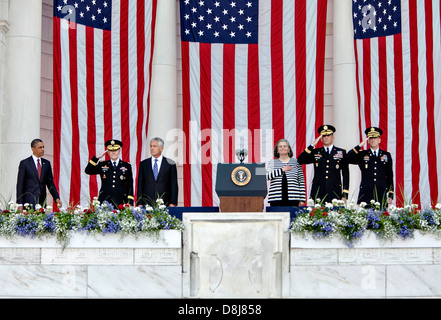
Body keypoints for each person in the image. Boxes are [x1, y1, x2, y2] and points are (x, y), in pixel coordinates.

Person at [297, 125, 349, 202]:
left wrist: (345, 194)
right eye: (324, 136)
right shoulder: (315, 152)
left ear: (332, 137)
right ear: (321, 138)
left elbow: (346, 173)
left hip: (334, 191)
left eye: (328, 135)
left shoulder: (341, 152)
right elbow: (300, 160)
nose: (326, 137)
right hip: (318, 191)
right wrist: (311, 146)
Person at [347, 127, 394, 206]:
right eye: (371, 138)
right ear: (368, 140)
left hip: (381, 192)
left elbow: (389, 175)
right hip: (366, 193)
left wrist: (390, 193)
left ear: (379, 140)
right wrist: (359, 146)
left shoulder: (386, 155)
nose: (373, 140)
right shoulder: (362, 154)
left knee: (382, 217)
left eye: (375, 138)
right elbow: (348, 158)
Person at [85, 139, 134, 206]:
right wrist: (96, 158)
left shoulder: (126, 165)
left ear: (119, 150)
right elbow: (88, 170)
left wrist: (130, 201)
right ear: (107, 152)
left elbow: (130, 184)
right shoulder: (103, 164)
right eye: (111, 150)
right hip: (105, 199)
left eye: (115, 150)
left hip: (121, 200)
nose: (113, 152)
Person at [16, 139, 62, 209]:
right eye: (40, 147)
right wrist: (19, 204)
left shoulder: (46, 163)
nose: (42, 149)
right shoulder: (25, 163)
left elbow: (50, 183)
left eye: (43, 147)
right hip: (28, 202)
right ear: (33, 148)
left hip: (42, 202)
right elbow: (20, 184)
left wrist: (56, 197)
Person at [137, 137, 178, 207]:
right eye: (151, 146)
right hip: (147, 203)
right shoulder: (143, 164)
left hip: (165, 203)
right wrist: (139, 202)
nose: (152, 148)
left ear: (161, 148)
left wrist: (173, 202)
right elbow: (140, 184)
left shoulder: (170, 163)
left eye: (154, 146)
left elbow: (174, 185)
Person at [266, 139, 305, 206]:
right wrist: (282, 170)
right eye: (280, 146)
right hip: (276, 198)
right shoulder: (271, 162)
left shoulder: (296, 162)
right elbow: (267, 176)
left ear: (289, 149)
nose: (283, 148)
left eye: (285, 146)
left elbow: (301, 181)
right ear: (277, 150)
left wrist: (302, 199)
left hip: (294, 198)